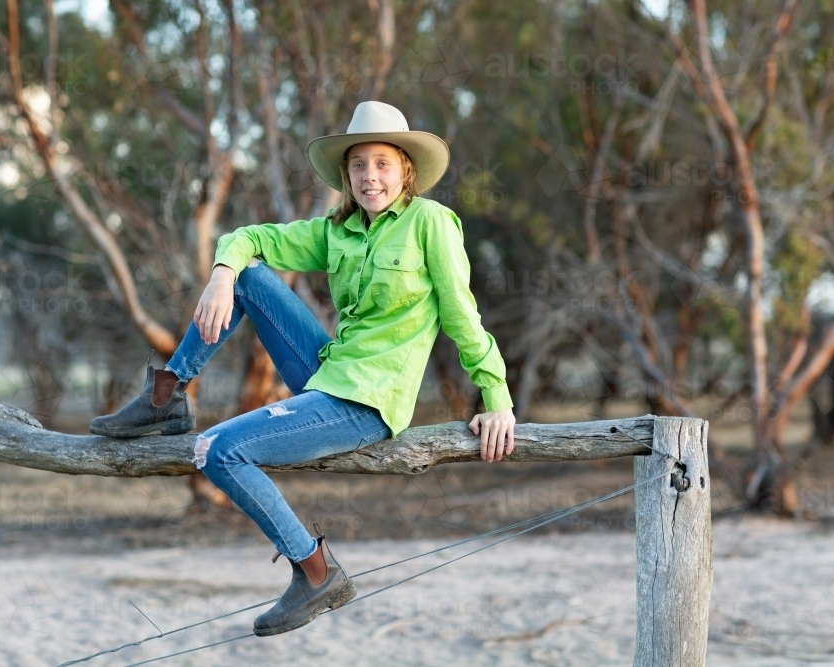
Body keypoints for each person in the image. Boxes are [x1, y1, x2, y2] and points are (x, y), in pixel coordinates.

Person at [88, 101, 517, 636]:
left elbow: (461, 315)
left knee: (220, 450)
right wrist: (223, 272)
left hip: (366, 401)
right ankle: (167, 395)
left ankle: (315, 572)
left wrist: (496, 398)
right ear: (347, 174)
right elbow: (251, 238)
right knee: (248, 276)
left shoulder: (429, 223)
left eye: (382, 163)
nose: (370, 176)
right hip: (327, 371)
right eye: (359, 165)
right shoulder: (337, 231)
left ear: (405, 170)